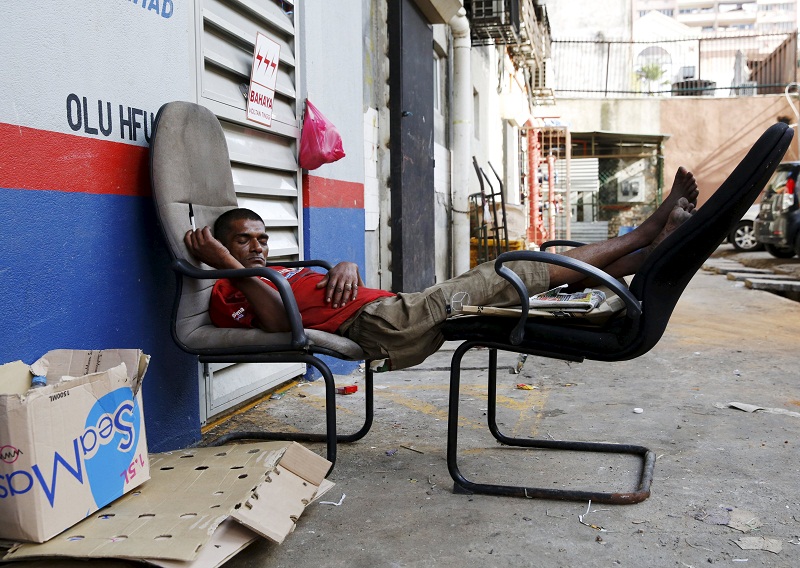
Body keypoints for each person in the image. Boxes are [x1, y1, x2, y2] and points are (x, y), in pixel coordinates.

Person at [184, 168, 698, 370]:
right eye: (241, 242)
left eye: (260, 239)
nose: (255, 249)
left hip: (393, 310)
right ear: (221, 250)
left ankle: (647, 257)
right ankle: (644, 233)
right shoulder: (231, 290)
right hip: (384, 326)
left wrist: (345, 263)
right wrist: (228, 267)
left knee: (523, 274)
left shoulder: (275, 272)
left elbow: (309, 285)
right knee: (512, 269)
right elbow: (278, 326)